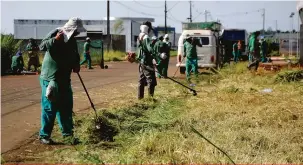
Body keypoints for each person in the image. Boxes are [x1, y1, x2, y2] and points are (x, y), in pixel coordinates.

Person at [38, 17, 86, 145]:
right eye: (76, 31)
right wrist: (55, 40)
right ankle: (44, 135)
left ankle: (68, 135)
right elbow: (42, 46)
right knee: (50, 107)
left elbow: (75, 55)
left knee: (66, 106)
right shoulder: (56, 33)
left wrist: (76, 64)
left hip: (65, 78)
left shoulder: (72, 41)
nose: (77, 33)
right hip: (51, 79)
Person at [137, 21, 157, 100]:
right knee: (151, 80)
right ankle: (150, 99)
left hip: (141, 61)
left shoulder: (139, 36)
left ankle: (140, 98)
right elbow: (150, 49)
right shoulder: (146, 38)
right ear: (148, 29)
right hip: (147, 62)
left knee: (141, 80)